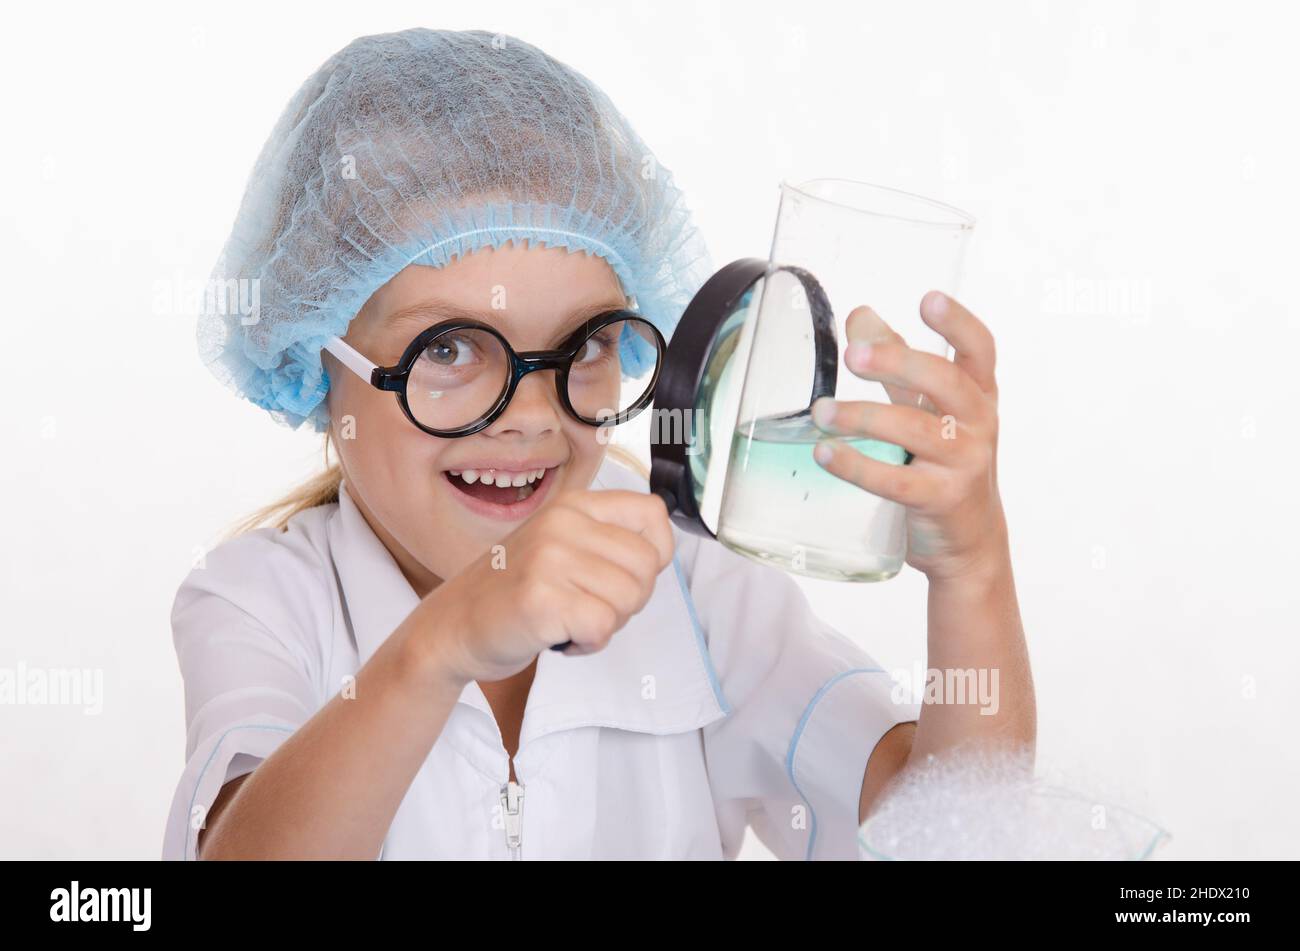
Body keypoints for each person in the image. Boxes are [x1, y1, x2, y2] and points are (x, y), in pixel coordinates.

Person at [163, 27, 1032, 860]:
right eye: (450, 349)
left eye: (583, 346)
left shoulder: (697, 590)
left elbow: (953, 838)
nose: (535, 415)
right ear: (316, 364)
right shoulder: (260, 603)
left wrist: (975, 572)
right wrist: (438, 646)